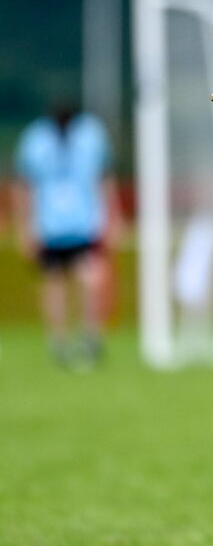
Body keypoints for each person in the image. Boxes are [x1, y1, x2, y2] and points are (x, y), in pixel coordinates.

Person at [13, 104, 121, 367]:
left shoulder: (91, 135)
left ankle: (91, 337)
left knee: (91, 278)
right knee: (54, 282)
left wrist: (113, 216)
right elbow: (23, 184)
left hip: (84, 224)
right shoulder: (35, 139)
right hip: (50, 226)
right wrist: (24, 227)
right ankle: (59, 342)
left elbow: (105, 178)